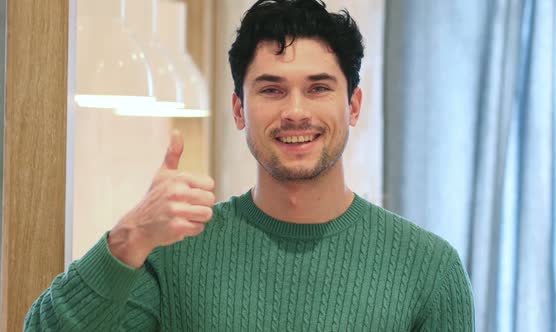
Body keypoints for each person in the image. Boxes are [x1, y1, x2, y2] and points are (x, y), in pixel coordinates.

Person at [25, 0, 474, 330]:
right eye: (272, 89)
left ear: (353, 106)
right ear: (239, 110)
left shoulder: (429, 270)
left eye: (318, 88)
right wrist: (129, 238)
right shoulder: (175, 255)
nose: (296, 111)